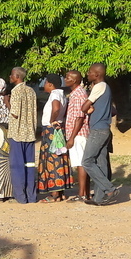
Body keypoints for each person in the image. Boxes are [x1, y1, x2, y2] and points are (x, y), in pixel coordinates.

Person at [80, 63, 119, 206]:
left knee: (87, 161)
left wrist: (89, 108)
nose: (88, 74)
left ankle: (109, 189)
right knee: (101, 163)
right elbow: (113, 110)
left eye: (90, 72)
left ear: (97, 74)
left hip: (98, 130)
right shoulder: (106, 88)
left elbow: (84, 107)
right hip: (104, 129)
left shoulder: (99, 86)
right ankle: (98, 197)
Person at [37, 74, 72, 202]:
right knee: (58, 158)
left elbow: (56, 108)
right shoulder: (61, 94)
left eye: (45, 83)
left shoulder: (55, 94)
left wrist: (52, 120)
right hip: (58, 129)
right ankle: (60, 192)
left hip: (51, 130)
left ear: (50, 84)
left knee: (52, 160)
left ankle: (54, 194)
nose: (44, 85)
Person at [8, 67, 38, 204]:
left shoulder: (15, 91)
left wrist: (6, 103)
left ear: (17, 76)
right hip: (30, 132)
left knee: (17, 166)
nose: (10, 77)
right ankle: (31, 196)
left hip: (17, 133)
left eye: (11, 75)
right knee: (30, 165)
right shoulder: (31, 91)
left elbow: (14, 113)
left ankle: (20, 197)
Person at [64, 70, 90, 203]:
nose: (65, 79)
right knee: (80, 163)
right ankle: (85, 193)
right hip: (76, 133)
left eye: (67, 77)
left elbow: (79, 118)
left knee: (81, 164)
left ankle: (82, 194)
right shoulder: (74, 94)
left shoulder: (79, 95)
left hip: (78, 135)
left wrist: (72, 138)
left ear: (74, 80)